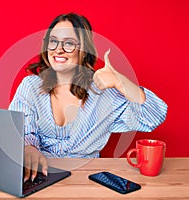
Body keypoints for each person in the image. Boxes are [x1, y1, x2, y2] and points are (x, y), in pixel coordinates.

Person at [9, 13, 167, 181]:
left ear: (84, 50)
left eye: (69, 43)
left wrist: (120, 82)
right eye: (53, 41)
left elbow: (154, 116)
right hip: (40, 177)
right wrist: (29, 147)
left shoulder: (102, 93)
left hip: (87, 180)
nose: (58, 49)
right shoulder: (31, 86)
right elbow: (19, 130)